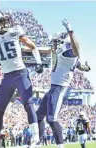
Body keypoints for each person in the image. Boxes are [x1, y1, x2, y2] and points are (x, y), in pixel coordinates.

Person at [0, 11, 43, 148]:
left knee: (28, 103)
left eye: (6, 21)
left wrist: (39, 62)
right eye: (2, 21)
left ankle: (36, 139)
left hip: (21, 73)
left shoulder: (15, 31)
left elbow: (32, 46)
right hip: (7, 77)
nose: (6, 23)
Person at [36, 19, 91, 148]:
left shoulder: (67, 51)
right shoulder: (63, 54)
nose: (53, 45)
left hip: (61, 87)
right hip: (53, 88)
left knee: (51, 119)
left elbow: (76, 51)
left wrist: (70, 32)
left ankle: (60, 146)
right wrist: (86, 68)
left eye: (55, 42)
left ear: (62, 41)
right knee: (38, 116)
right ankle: (37, 143)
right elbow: (79, 66)